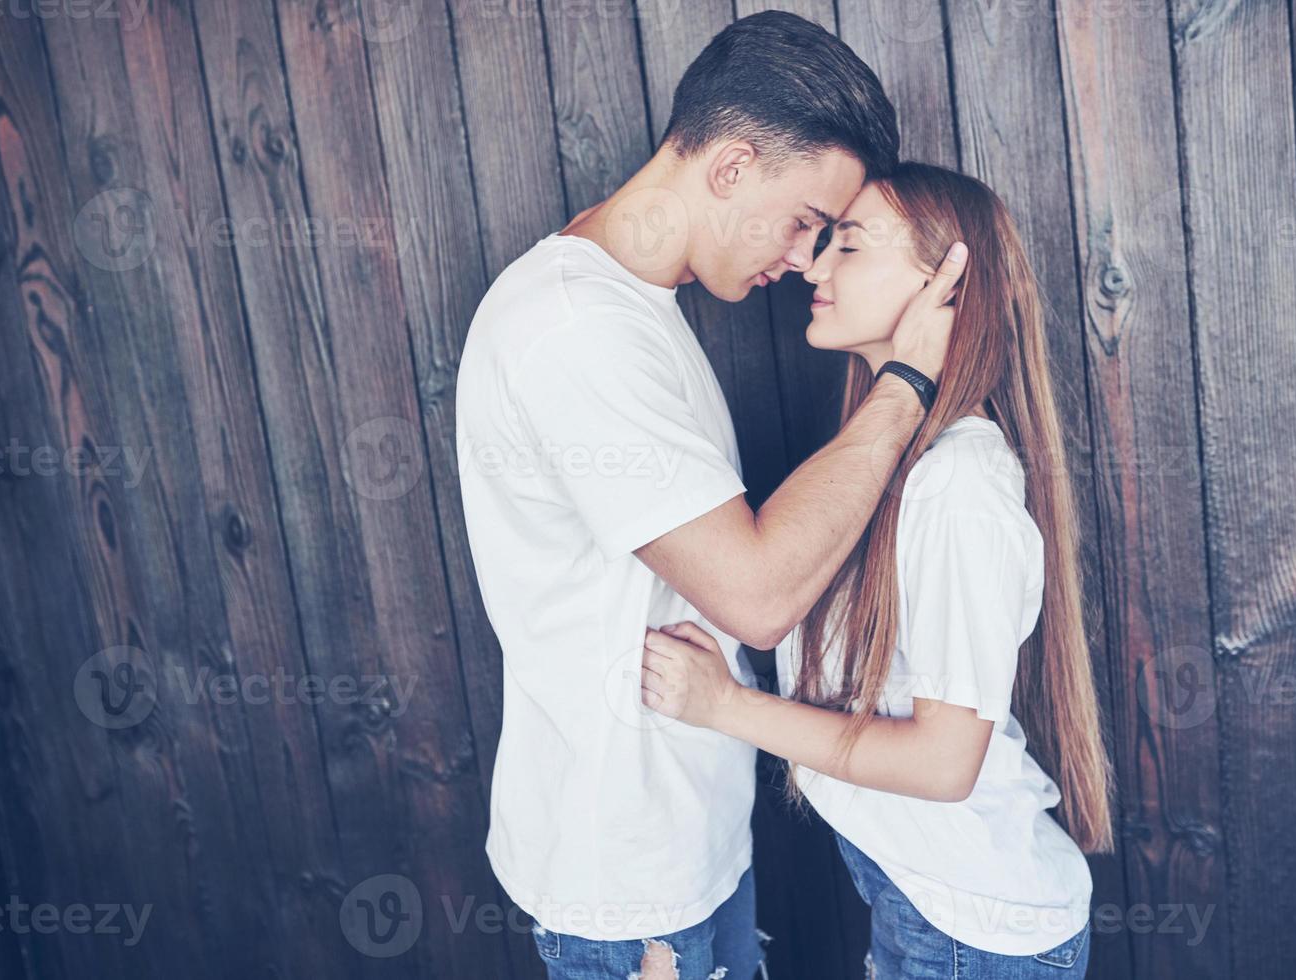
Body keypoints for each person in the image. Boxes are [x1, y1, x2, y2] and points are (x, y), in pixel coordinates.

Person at [455, 13, 963, 980]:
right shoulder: (576, 332)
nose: (808, 260)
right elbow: (759, 598)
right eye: (808, 223)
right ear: (730, 168)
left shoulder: (629, 310)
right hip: (631, 884)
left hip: (681, 851)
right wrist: (906, 388)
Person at [641, 163, 1116, 978]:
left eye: (848, 248)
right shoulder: (895, 456)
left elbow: (942, 762)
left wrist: (724, 706)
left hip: (975, 935)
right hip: (927, 907)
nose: (813, 269)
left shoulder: (959, 483)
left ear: (946, 289)